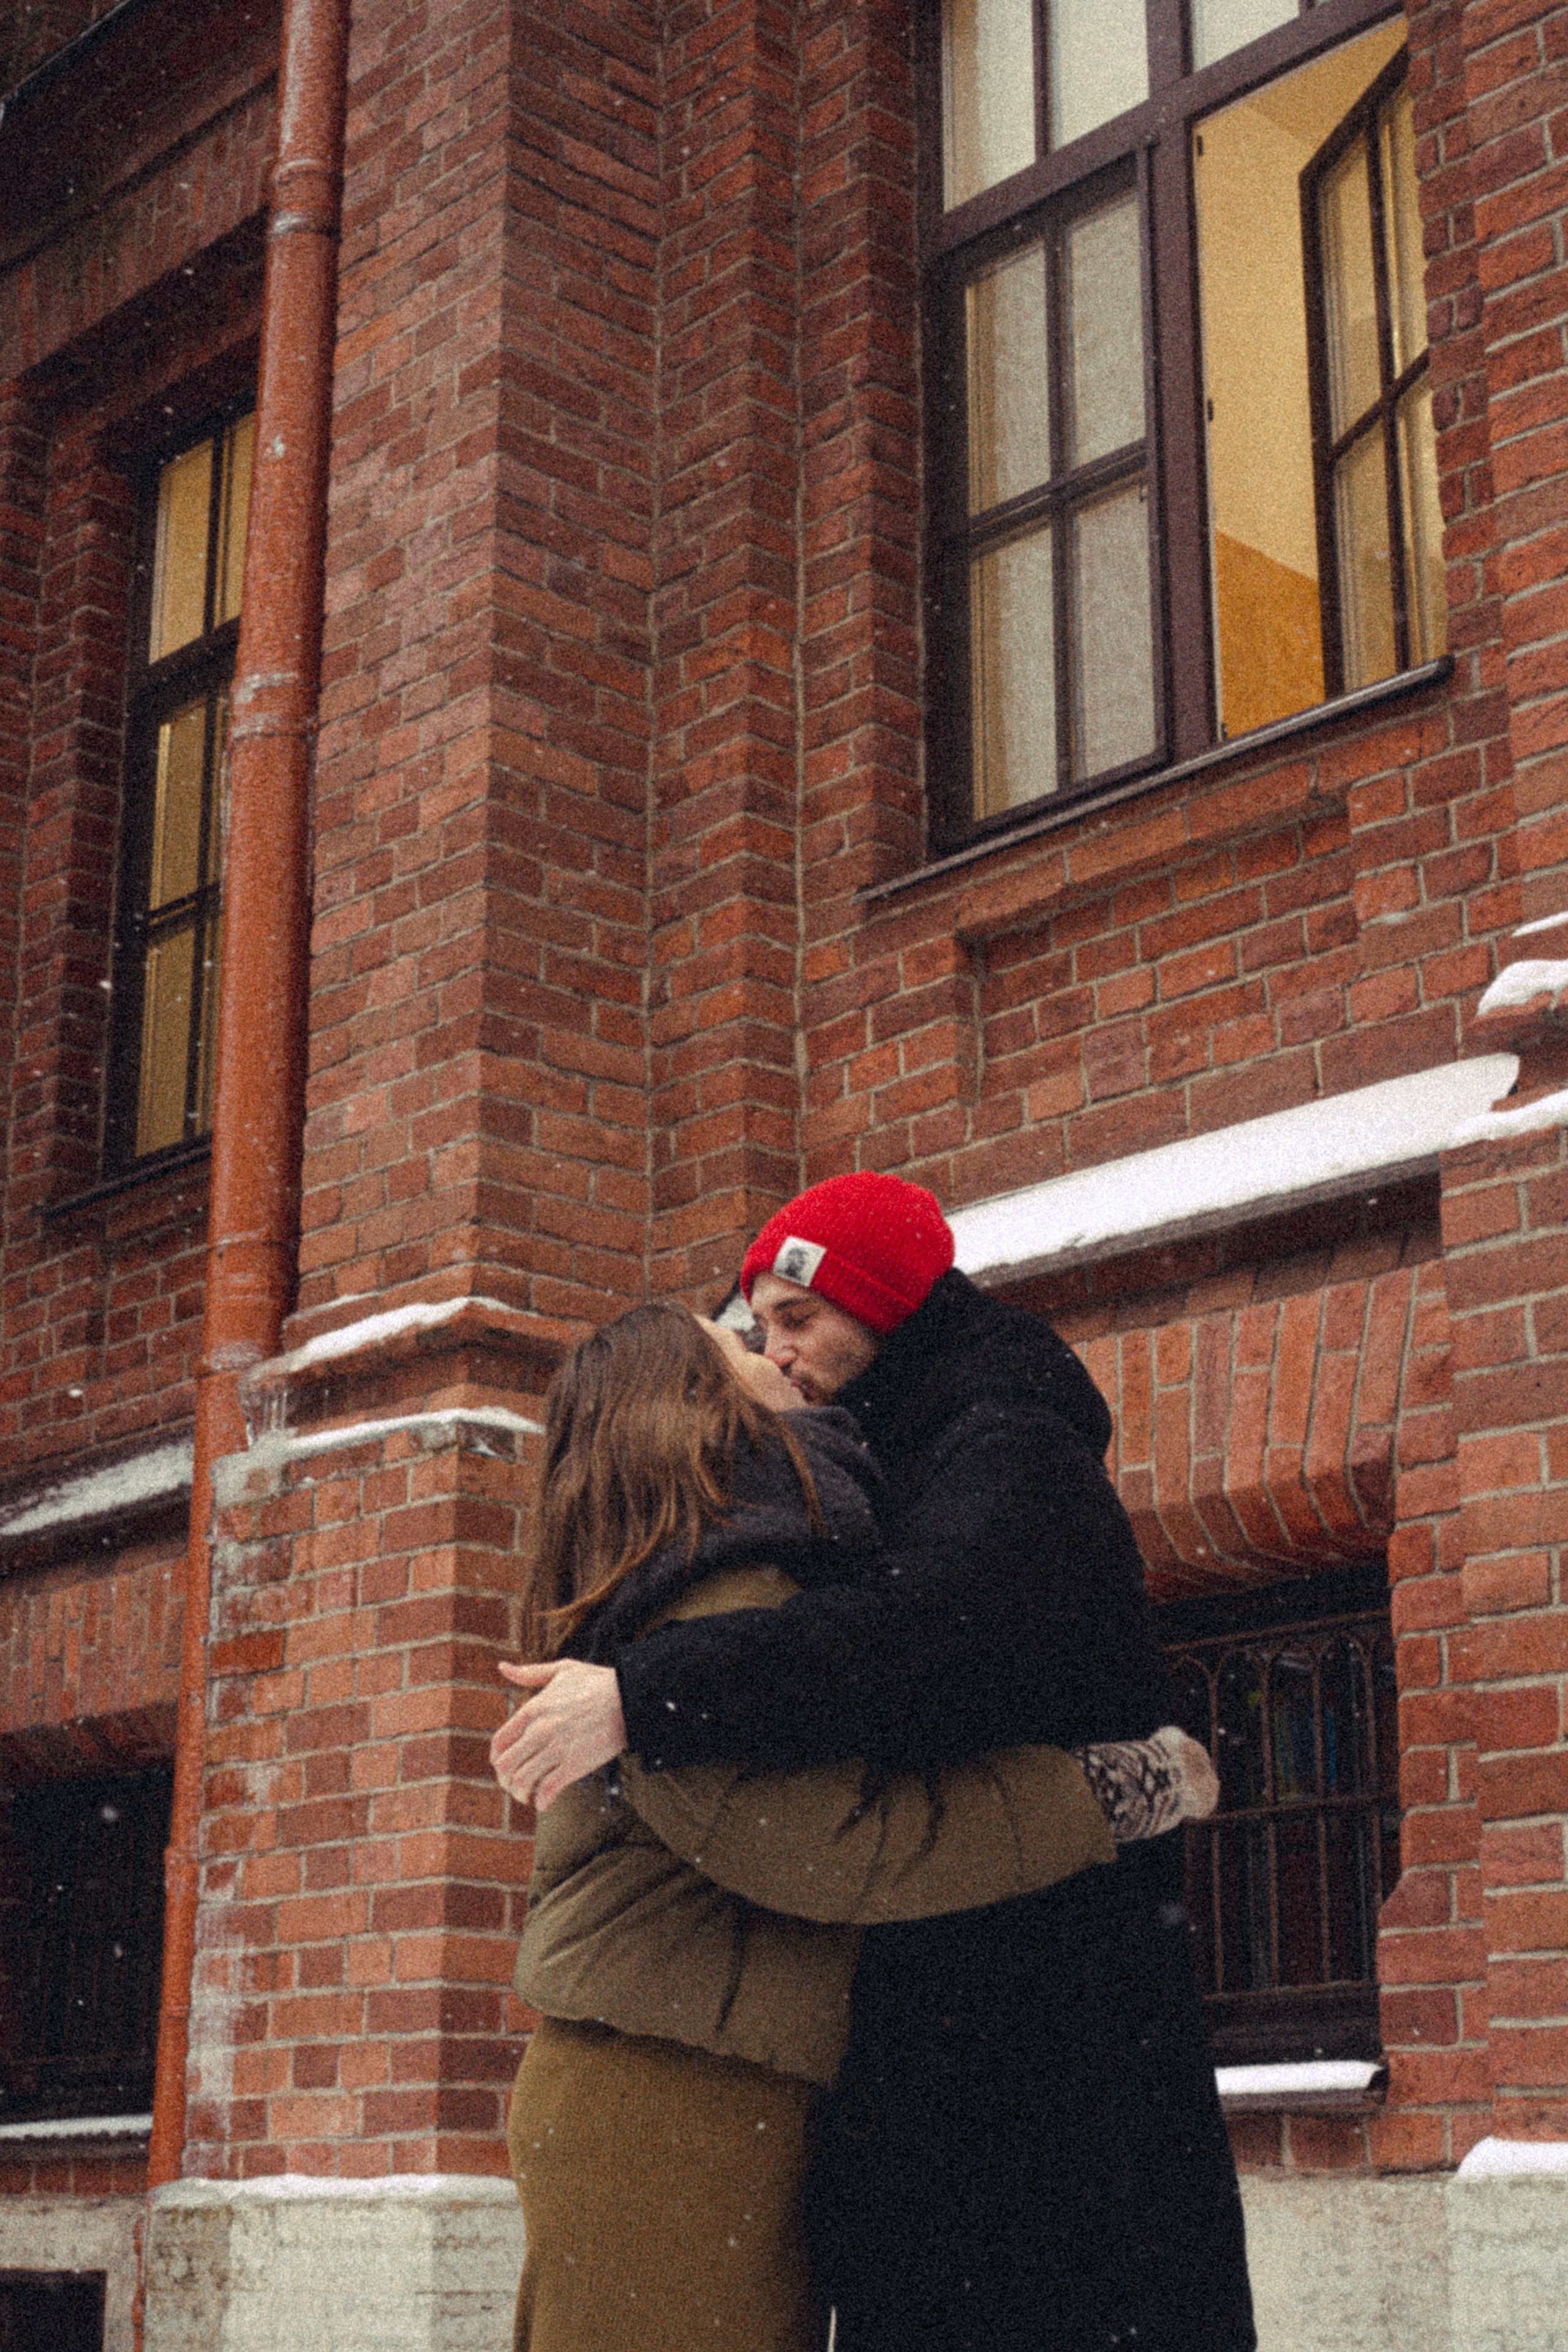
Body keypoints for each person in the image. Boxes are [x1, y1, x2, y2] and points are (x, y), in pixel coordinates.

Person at [493, 1173, 1258, 2352]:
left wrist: (646, 1697)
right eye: (754, 1333)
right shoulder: (783, 1522)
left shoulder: (995, 1445)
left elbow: (918, 1643)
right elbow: (841, 1827)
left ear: (886, 1305)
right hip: (819, 2069)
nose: (778, 1352)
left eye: (798, 1320)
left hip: (1035, 2045)